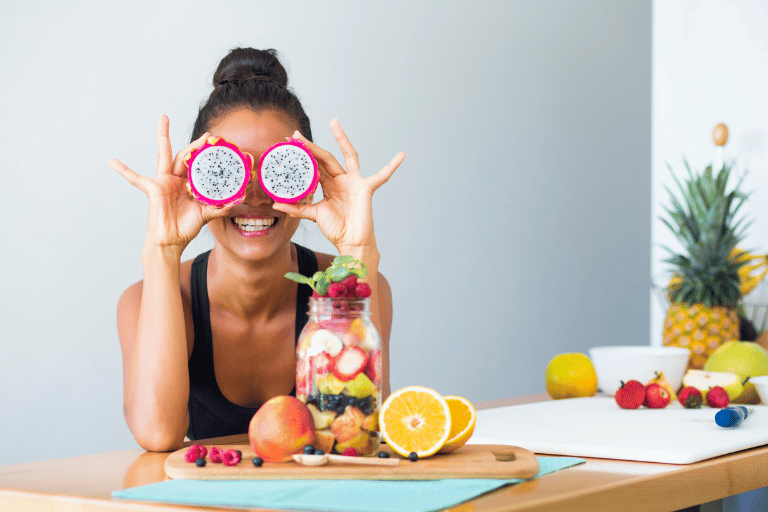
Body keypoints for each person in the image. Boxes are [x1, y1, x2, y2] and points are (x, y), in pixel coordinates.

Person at [109, 48, 405, 452]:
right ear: (193, 180)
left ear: (313, 178)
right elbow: (157, 433)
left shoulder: (348, 285)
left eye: (281, 171)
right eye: (225, 172)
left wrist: (358, 251)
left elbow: (355, 429)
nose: (255, 196)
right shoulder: (146, 300)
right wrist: (161, 250)